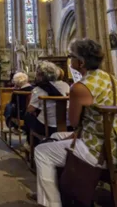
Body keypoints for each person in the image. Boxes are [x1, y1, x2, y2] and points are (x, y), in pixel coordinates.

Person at [33, 39, 117, 206]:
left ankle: (52, 203)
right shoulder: (112, 79)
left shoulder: (80, 88)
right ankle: (67, 189)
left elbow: (73, 121)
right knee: (56, 135)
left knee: (42, 151)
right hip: (113, 141)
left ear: (81, 62)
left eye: (71, 56)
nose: (69, 60)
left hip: (97, 149)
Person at [23, 61, 70, 150]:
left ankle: (31, 144)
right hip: (66, 126)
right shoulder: (66, 85)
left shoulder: (38, 89)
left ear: (41, 75)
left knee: (28, 116)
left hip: (48, 127)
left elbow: (30, 109)